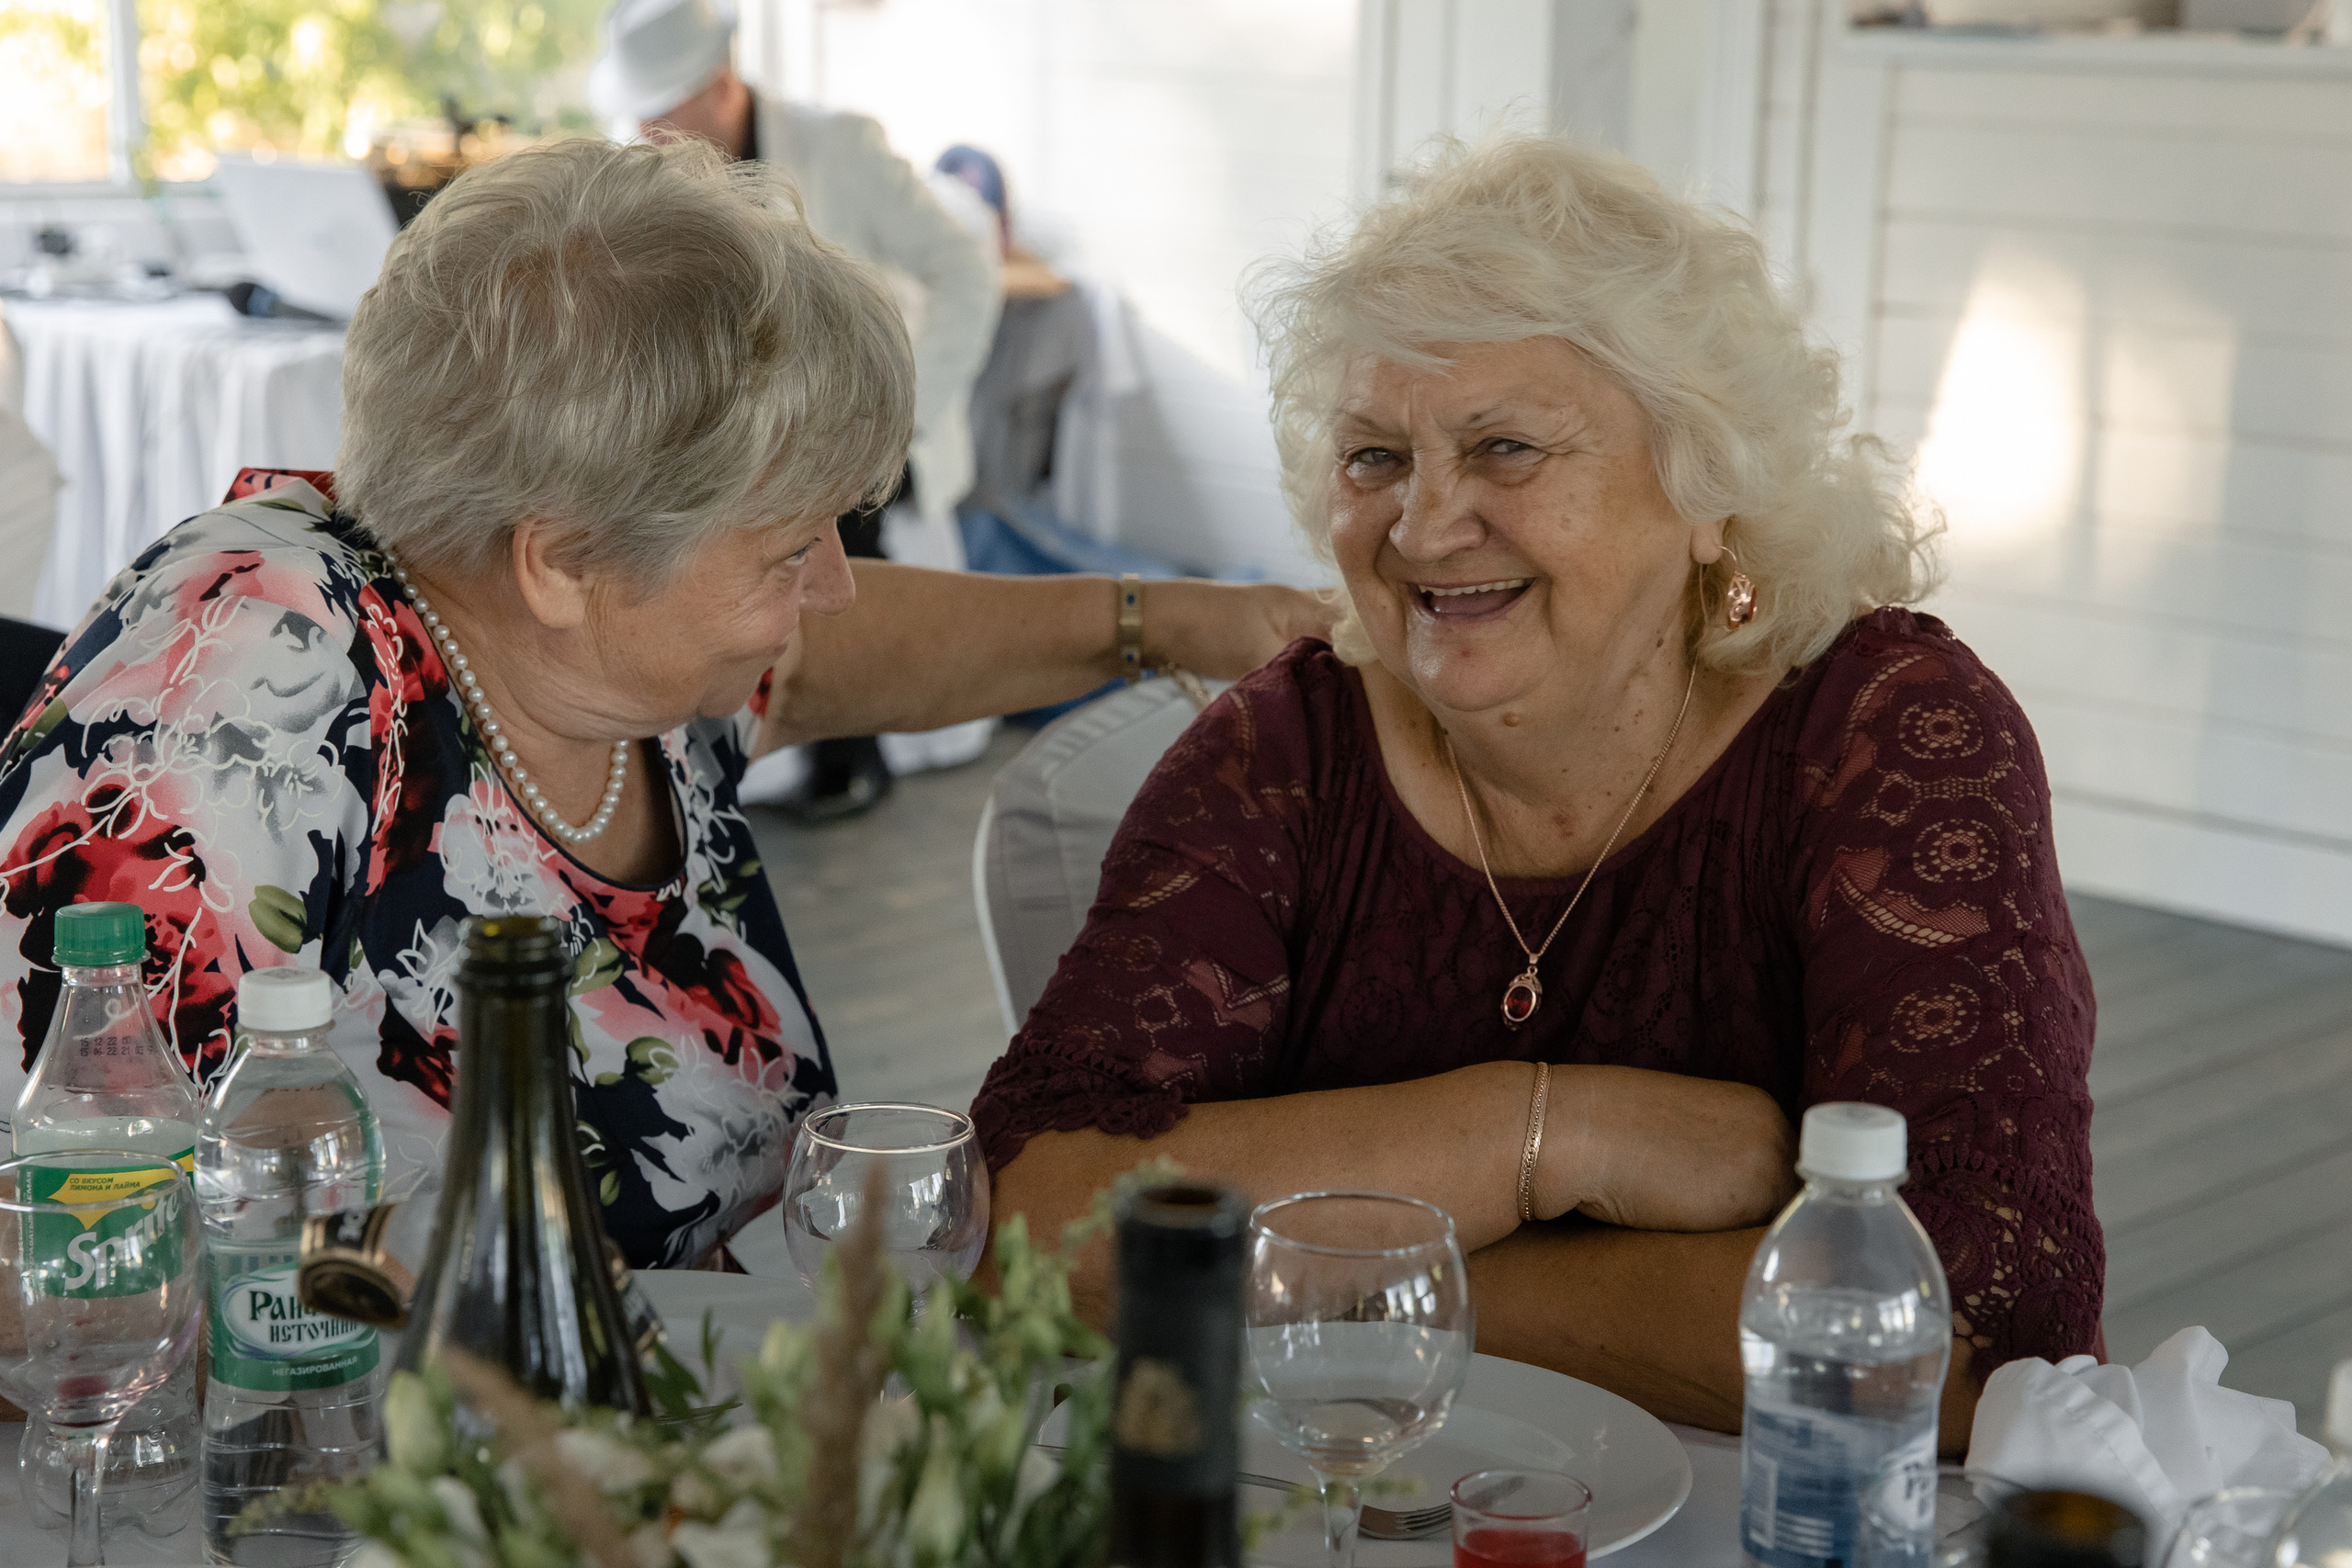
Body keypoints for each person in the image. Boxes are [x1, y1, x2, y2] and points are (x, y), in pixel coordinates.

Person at [0, 138, 1328, 1273]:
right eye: (784, 547)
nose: (833, 585)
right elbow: (63, 1264)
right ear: (564, 557)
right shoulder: (236, 689)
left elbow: (832, 656)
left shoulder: (604, 650)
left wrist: (1176, 620)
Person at [975, 137, 2100, 1448]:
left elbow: (1975, 1324)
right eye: (1374, 456)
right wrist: (1550, 1131)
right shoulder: (1285, 752)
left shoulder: (1883, 735)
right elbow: (1028, 1226)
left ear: (1705, 488)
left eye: (1506, 448)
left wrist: (1366, 1285)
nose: (1421, 523)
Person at [589, 0, 1003, 820]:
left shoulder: (840, 146)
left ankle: (851, 759)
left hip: (854, 434)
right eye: (644, 116)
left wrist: (908, 414)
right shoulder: (646, 168)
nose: (653, 135)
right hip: (741, 437)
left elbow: (967, 271)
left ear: (720, 85)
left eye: (667, 109)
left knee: (841, 561)